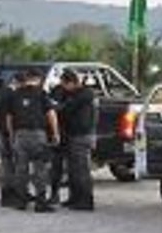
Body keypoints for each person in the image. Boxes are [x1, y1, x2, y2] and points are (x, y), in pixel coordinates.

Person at [6, 69, 60, 213]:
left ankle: (21, 201)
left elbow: (9, 117)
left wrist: (12, 135)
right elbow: (51, 114)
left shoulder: (15, 94)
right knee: (40, 169)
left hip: (20, 135)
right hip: (37, 135)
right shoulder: (42, 94)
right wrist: (55, 133)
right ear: (38, 79)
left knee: (21, 169)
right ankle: (40, 203)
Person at [58, 70, 97, 211]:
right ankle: (74, 198)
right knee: (73, 170)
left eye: (64, 85)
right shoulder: (74, 95)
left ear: (72, 83)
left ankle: (85, 201)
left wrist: (61, 107)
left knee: (81, 170)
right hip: (74, 135)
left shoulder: (83, 95)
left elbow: (67, 109)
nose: (63, 88)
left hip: (81, 135)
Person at [0, 72, 23, 207]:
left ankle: (8, 192)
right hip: (7, 134)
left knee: (7, 162)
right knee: (9, 163)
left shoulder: (3, 93)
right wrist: (10, 134)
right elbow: (9, 117)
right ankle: (8, 193)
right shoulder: (11, 94)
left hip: (1, 132)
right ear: (17, 82)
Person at [48, 82, 69, 205]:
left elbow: (53, 109)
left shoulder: (57, 91)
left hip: (61, 133)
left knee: (57, 167)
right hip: (67, 133)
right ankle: (57, 195)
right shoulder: (74, 93)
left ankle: (54, 195)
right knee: (59, 167)